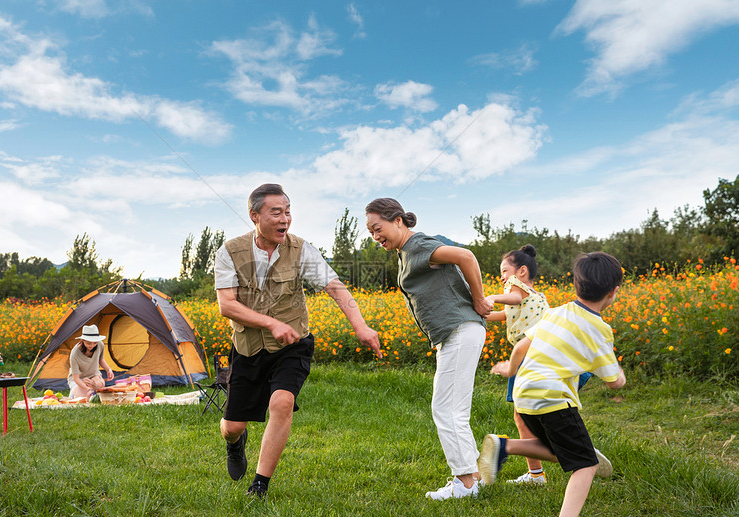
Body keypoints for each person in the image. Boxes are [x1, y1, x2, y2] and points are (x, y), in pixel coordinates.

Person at [215, 183, 382, 499]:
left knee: (282, 401)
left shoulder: (301, 249)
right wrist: (270, 323)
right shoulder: (230, 252)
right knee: (233, 425)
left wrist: (361, 327)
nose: (284, 219)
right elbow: (227, 305)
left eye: (288, 211)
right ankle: (235, 445)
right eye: (276, 212)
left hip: (293, 344)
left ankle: (260, 485)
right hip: (248, 349)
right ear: (255, 215)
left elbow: (335, 287)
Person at [478, 252, 626, 517]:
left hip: (525, 391)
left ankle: (504, 447)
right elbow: (614, 383)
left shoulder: (558, 311)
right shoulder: (599, 330)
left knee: (560, 450)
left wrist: (510, 368)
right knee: (585, 465)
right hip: (553, 397)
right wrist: (619, 373)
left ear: (576, 285)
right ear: (613, 292)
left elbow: (523, 345)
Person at [365, 198, 492, 500]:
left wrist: (478, 299)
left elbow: (466, 256)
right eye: (370, 233)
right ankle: (473, 477)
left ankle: (465, 483)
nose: (375, 236)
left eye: (377, 228)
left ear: (398, 220)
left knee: (446, 409)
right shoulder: (407, 252)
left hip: (459, 330)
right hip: (455, 333)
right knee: (453, 408)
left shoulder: (418, 245)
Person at [485, 245, 551, 485]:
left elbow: (513, 297)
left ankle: (537, 473)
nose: (502, 277)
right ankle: (537, 472)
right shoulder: (534, 296)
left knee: (523, 417)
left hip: (527, 359)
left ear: (522, 271)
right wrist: (479, 313)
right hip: (540, 358)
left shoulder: (519, 291)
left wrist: (491, 297)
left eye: (504, 271)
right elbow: (504, 314)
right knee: (525, 415)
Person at [68, 324, 114, 399]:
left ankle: (87, 389)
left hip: (93, 375)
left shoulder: (100, 344)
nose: (92, 346)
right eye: (88, 343)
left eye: (95, 343)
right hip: (79, 378)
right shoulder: (74, 354)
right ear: (82, 341)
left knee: (101, 385)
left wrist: (108, 370)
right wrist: (88, 389)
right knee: (83, 398)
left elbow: (101, 359)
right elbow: (76, 378)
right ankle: (74, 392)